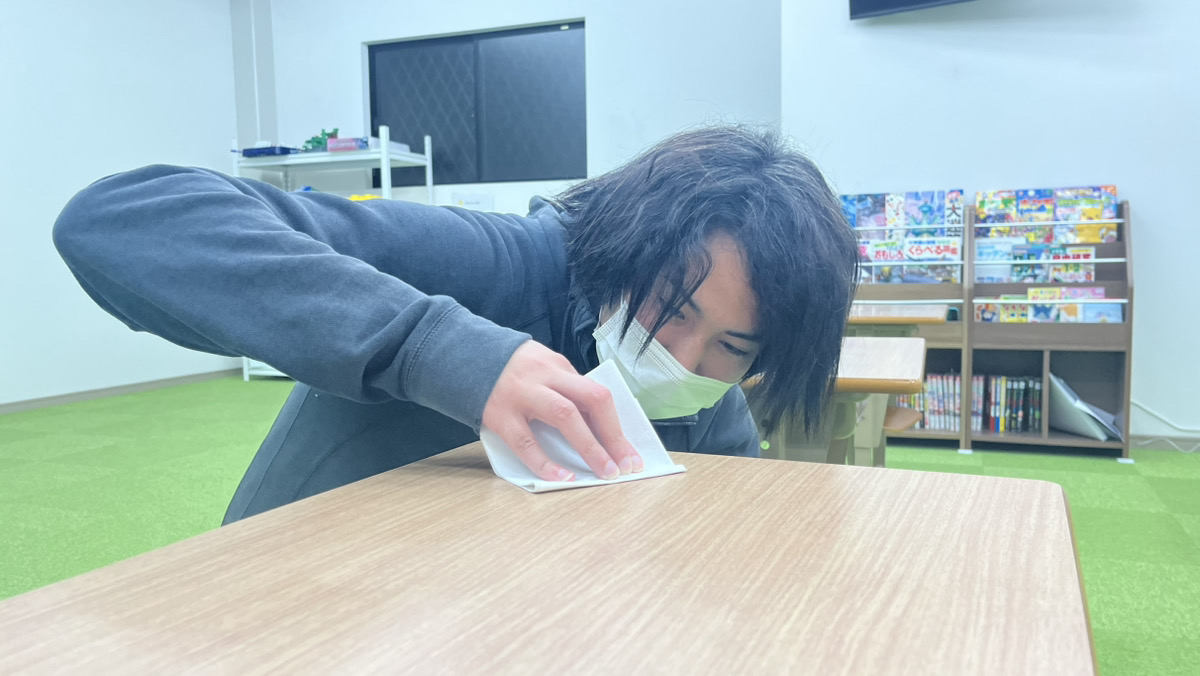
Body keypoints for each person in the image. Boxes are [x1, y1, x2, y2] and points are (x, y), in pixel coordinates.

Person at [52, 125, 860, 523]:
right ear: (631, 248)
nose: (680, 358)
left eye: (731, 347)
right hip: (293, 604)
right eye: (671, 309)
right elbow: (122, 218)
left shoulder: (710, 411)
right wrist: (434, 348)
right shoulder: (497, 264)